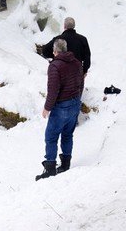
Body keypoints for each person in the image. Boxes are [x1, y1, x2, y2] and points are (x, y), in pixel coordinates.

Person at [36, 38, 84, 181]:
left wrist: (47, 108)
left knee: (51, 136)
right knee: (67, 134)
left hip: (61, 106)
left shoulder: (55, 66)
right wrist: (77, 99)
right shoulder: (76, 62)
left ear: (55, 51)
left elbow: (53, 90)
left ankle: (50, 168)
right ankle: (65, 164)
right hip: (75, 103)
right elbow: (81, 83)